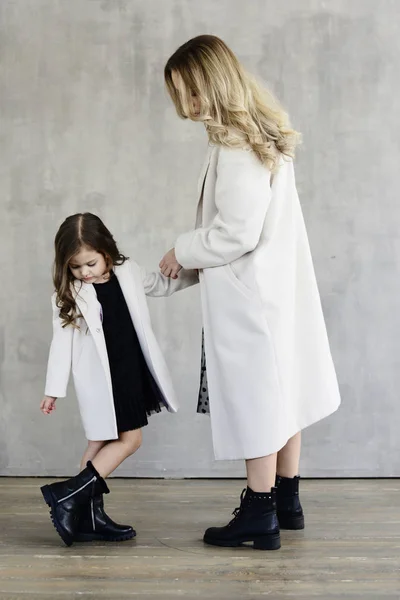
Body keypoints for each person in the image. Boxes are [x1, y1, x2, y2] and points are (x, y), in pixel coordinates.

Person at [160, 35, 341, 551]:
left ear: (211, 83)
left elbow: (236, 232)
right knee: (286, 394)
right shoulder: (262, 133)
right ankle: (286, 499)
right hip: (275, 290)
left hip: (249, 295)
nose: (188, 108)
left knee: (258, 401)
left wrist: (182, 250)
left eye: (190, 94)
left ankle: (259, 514)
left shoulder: (235, 144)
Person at [40, 212, 197, 546]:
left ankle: (88, 518)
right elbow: (61, 342)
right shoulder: (69, 295)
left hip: (130, 369)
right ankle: (67, 496)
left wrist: (201, 271)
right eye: (76, 267)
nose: (85, 272)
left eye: (91, 263)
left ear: (107, 252)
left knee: (100, 445)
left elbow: (162, 284)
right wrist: (53, 389)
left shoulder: (128, 271)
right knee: (127, 441)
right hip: (102, 379)